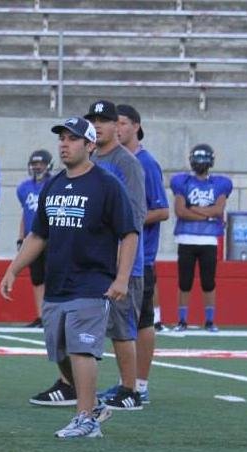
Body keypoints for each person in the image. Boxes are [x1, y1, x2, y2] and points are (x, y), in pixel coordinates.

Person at [0, 116, 139, 438]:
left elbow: (128, 234)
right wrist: (14, 268)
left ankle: (86, 419)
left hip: (92, 282)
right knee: (60, 352)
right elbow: (39, 234)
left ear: (90, 145)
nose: (64, 144)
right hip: (57, 282)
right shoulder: (54, 184)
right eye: (61, 138)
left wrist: (121, 278)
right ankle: (92, 405)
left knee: (81, 349)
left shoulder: (107, 184)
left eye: (72, 138)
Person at [85, 100, 147, 411]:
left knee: (122, 328)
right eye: (93, 120)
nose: (98, 125)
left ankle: (130, 389)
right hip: (93, 258)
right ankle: (78, 386)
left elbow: (134, 217)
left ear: (117, 126)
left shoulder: (127, 163)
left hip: (122, 259)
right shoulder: (90, 157)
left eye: (105, 120)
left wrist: (124, 269)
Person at [116, 104, 169, 404]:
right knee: (121, 324)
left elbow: (161, 210)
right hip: (116, 254)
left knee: (142, 320)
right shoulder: (116, 161)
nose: (118, 128)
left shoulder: (145, 163)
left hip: (140, 256)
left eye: (123, 123)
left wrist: (126, 218)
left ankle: (140, 383)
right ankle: (127, 380)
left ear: (136, 126)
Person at [170, 144, 233, 332]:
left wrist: (194, 209)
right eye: (197, 158)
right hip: (186, 238)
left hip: (209, 240)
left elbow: (218, 209)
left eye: (203, 158)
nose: (200, 162)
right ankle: (182, 320)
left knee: (208, 282)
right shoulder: (183, 181)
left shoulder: (220, 183)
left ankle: (210, 320)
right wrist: (208, 215)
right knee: (184, 281)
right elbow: (180, 211)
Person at [16, 149, 53, 328]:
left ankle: (52, 315)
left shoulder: (54, 183)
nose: (38, 167)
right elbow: (25, 213)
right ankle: (41, 316)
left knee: (52, 277)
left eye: (41, 164)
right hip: (32, 237)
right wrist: (20, 237)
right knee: (37, 278)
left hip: (52, 237)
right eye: (35, 164)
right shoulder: (24, 187)